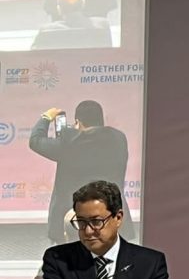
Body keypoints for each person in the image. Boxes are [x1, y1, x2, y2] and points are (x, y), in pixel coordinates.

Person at [41, 180, 173, 279]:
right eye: (81, 222)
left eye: (96, 222)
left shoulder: (149, 262)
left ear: (118, 218)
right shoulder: (58, 259)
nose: (88, 231)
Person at [29, 99, 134, 244]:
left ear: (78, 122)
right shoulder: (119, 139)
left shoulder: (70, 142)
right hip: (111, 214)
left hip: (74, 219)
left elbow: (36, 141)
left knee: (68, 256)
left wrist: (46, 118)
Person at [31, 0, 113, 51]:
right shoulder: (102, 26)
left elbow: (33, 59)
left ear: (59, 9)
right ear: (83, 4)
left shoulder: (46, 32)